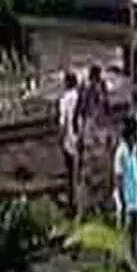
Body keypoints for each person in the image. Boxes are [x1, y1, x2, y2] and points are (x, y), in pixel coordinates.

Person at [113, 116, 137, 261]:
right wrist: (122, 199)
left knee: (135, 227)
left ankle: (133, 254)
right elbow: (118, 177)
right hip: (125, 195)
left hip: (135, 194)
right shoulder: (121, 152)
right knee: (125, 228)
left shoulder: (135, 149)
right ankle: (121, 258)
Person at [58, 70, 81, 216]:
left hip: (69, 140)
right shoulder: (80, 96)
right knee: (79, 172)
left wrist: (60, 138)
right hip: (81, 138)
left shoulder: (65, 99)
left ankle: (72, 204)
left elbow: (63, 122)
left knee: (70, 172)